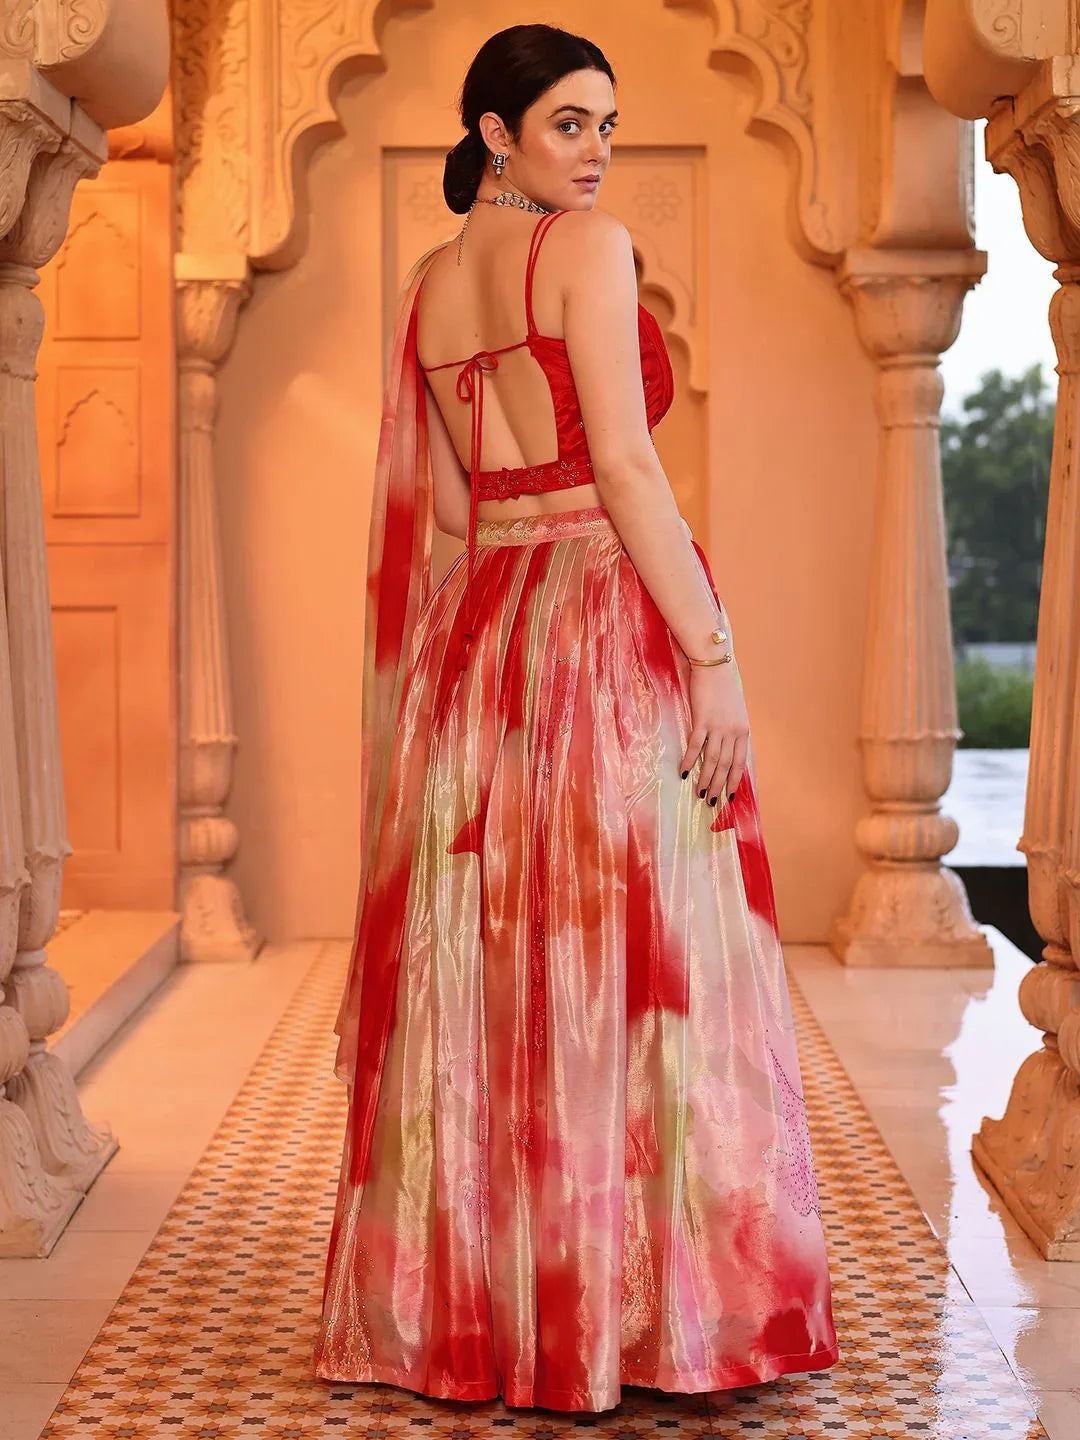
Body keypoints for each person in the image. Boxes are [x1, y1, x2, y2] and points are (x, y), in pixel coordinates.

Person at [312, 21, 839, 1414]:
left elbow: (444, 523)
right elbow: (622, 469)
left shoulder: (427, 287)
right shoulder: (583, 253)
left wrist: (446, 686)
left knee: (495, 981)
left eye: (608, 123)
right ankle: (650, 1320)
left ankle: (483, 1320)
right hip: (600, 632)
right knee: (642, 967)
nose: (598, 151)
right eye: (570, 124)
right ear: (496, 133)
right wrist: (712, 658)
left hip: (474, 649)